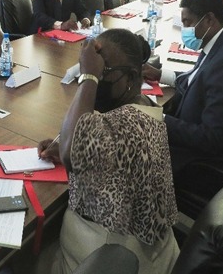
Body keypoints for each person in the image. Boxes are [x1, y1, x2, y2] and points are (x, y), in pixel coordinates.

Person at [36, 29, 178, 274]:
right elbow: (109, 153)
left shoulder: (125, 124)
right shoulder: (144, 107)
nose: (98, 78)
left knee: (22, 257)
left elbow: (71, 152)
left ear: (131, 77)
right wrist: (72, 147)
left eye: (104, 72)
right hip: (149, 254)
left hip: (109, 259)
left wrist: (89, 76)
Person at [143, 0, 223, 174]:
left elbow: (211, 138)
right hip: (213, 142)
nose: (185, 29)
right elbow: (198, 78)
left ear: (209, 19)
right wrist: (159, 74)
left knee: (134, 154)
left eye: (188, 22)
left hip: (218, 160)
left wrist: (158, 118)